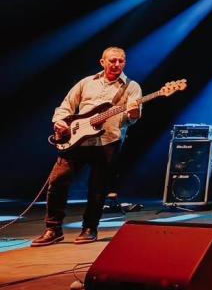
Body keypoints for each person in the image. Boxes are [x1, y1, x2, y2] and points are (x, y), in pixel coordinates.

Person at [31, 47, 142, 246]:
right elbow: (66, 106)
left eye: (121, 61)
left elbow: (132, 119)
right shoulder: (86, 82)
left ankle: (90, 228)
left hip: (107, 142)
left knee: (98, 189)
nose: (117, 65)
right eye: (113, 61)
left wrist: (134, 112)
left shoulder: (132, 87)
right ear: (103, 62)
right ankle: (53, 229)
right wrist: (60, 121)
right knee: (57, 181)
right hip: (76, 140)